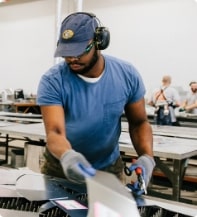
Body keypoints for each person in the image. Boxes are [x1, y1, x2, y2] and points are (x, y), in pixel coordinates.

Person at [36, 12, 155, 195]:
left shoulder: (127, 75)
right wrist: (69, 157)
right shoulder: (53, 80)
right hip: (61, 169)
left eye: (79, 51)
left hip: (108, 169)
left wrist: (147, 157)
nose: (72, 59)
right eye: (67, 54)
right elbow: (55, 132)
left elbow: (139, 123)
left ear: (100, 42)